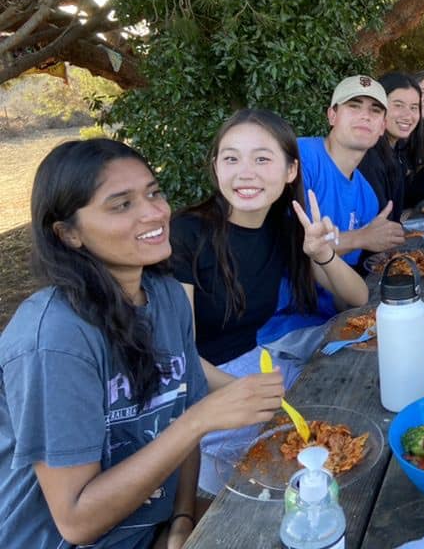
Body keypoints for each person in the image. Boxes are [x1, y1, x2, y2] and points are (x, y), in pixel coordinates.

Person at [0, 139, 283, 548]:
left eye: (153, 193)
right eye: (121, 205)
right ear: (68, 234)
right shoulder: (55, 337)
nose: (154, 213)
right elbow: (77, 521)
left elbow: (183, 414)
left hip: (153, 527)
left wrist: (183, 517)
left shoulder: (166, 297)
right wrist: (201, 418)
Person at [171, 109, 368, 493]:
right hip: (200, 395)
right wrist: (247, 392)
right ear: (215, 168)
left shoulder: (285, 225)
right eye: (231, 158)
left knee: (349, 425)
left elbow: (358, 299)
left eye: (262, 158)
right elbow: (177, 356)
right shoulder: (186, 234)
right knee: (274, 486)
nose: (246, 172)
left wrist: (322, 253)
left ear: (291, 170)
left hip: (256, 372)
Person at [259, 76, 403, 346]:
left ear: (383, 127)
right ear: (332, 115)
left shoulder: (367, 198)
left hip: (326, 326)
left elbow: (337, 284)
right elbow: (286, 248)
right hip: (276, 328)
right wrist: (361, 238)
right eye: (354, 106)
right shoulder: (300, 159)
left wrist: (357, 324)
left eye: (375, 110)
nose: (365, 116)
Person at [359, 73, 424, 216]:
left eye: (414, 107)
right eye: (398, 105)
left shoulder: (398, 148)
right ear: (378, 107)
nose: (408, 115)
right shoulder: (368, 156)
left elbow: (403, 196)